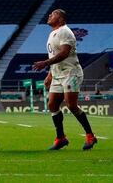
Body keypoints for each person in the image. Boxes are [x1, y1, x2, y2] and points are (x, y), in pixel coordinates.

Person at [32, 9, 97, 151]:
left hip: (70, 73)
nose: (50, 15)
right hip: (57, 75)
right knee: (52, 105)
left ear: (61, 19)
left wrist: (45, 63)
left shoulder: (65, 32)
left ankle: (90, 136)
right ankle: (61, 138)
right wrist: (50, 75)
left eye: (54, 14)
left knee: (71, 105)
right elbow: (54, 56)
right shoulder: (52, 33)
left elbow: (64, 53)